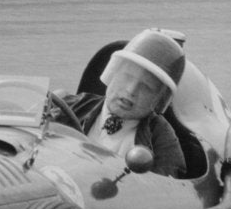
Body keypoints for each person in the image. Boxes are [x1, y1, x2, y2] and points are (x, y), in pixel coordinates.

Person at [62, 29, 188, 179]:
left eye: (146, 87)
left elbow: (168, 185)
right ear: (112, 74)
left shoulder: (161, 136)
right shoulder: (74, 106)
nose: (131, 90)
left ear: (158, 99)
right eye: (127, 77)